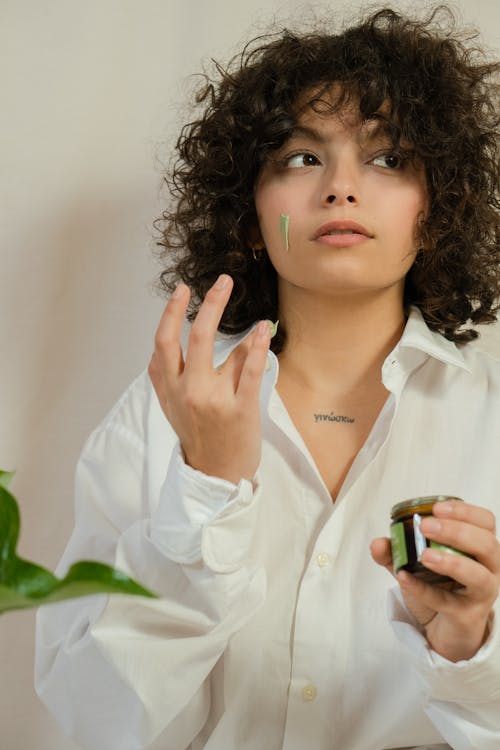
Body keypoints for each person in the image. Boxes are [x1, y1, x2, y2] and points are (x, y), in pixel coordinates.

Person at [35, 6, 500, 750]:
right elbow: (93, 716)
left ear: (437, 209)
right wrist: (206, 490)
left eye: (387, 159)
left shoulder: (491, 420)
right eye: (301, 159)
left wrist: (468, 648)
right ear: (252, 217)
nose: (341, 188)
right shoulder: (158, 416)